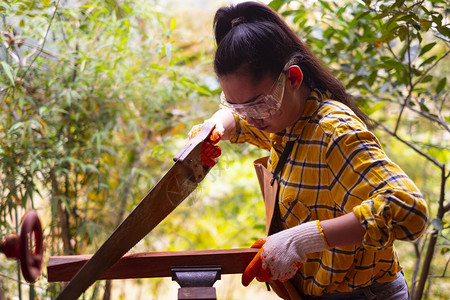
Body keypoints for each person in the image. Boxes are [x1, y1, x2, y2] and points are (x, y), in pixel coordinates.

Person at [188, 2, 428, 299]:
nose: (251, 116)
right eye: (236, 105)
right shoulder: (287, 124)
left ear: (292, 79)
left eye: (257, 104)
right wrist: (216, 125)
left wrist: (301, 240)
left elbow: (409, 209)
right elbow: (242, 122)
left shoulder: (333, 132)